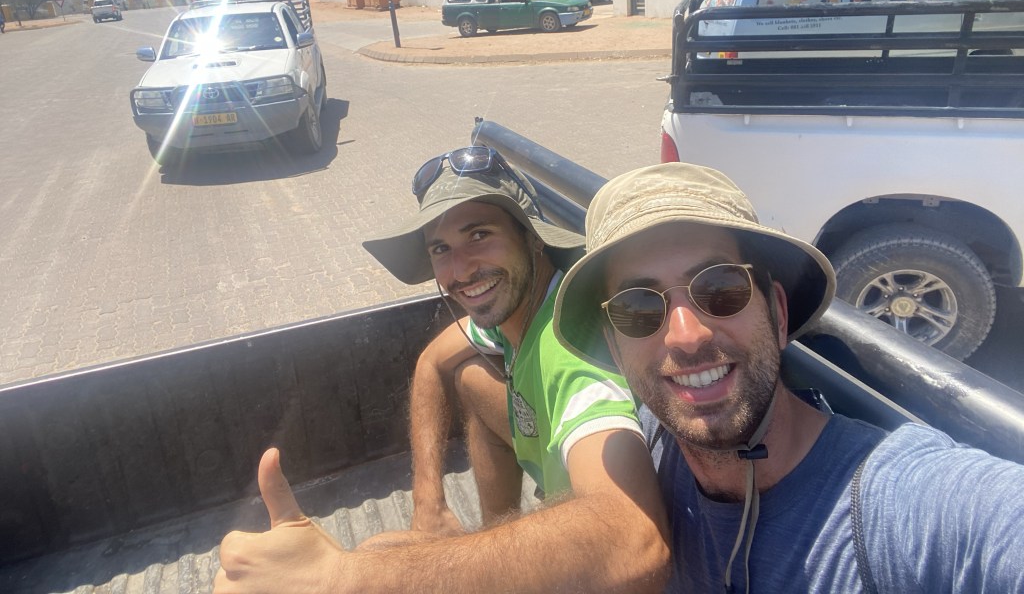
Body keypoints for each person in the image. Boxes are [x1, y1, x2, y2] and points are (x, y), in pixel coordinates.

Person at [214, 146, 670, 594]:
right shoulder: (518, 306)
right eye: (440, 248)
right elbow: (433, 361)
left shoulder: (569, 349)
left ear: (533, 235)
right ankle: (496, 526)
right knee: (470, 378)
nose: (461, 270)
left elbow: (634, 541)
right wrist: (428, 502)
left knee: (376, 553)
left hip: (603, 568)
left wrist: (340, 579)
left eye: (478, 236)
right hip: (565, 498)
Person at [552, 162, 1024, 593]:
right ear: (616, 348)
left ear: (777, 314)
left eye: (721, 288)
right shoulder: (645, 451)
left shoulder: (900, 505)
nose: (686, 335)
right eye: (637, 309)